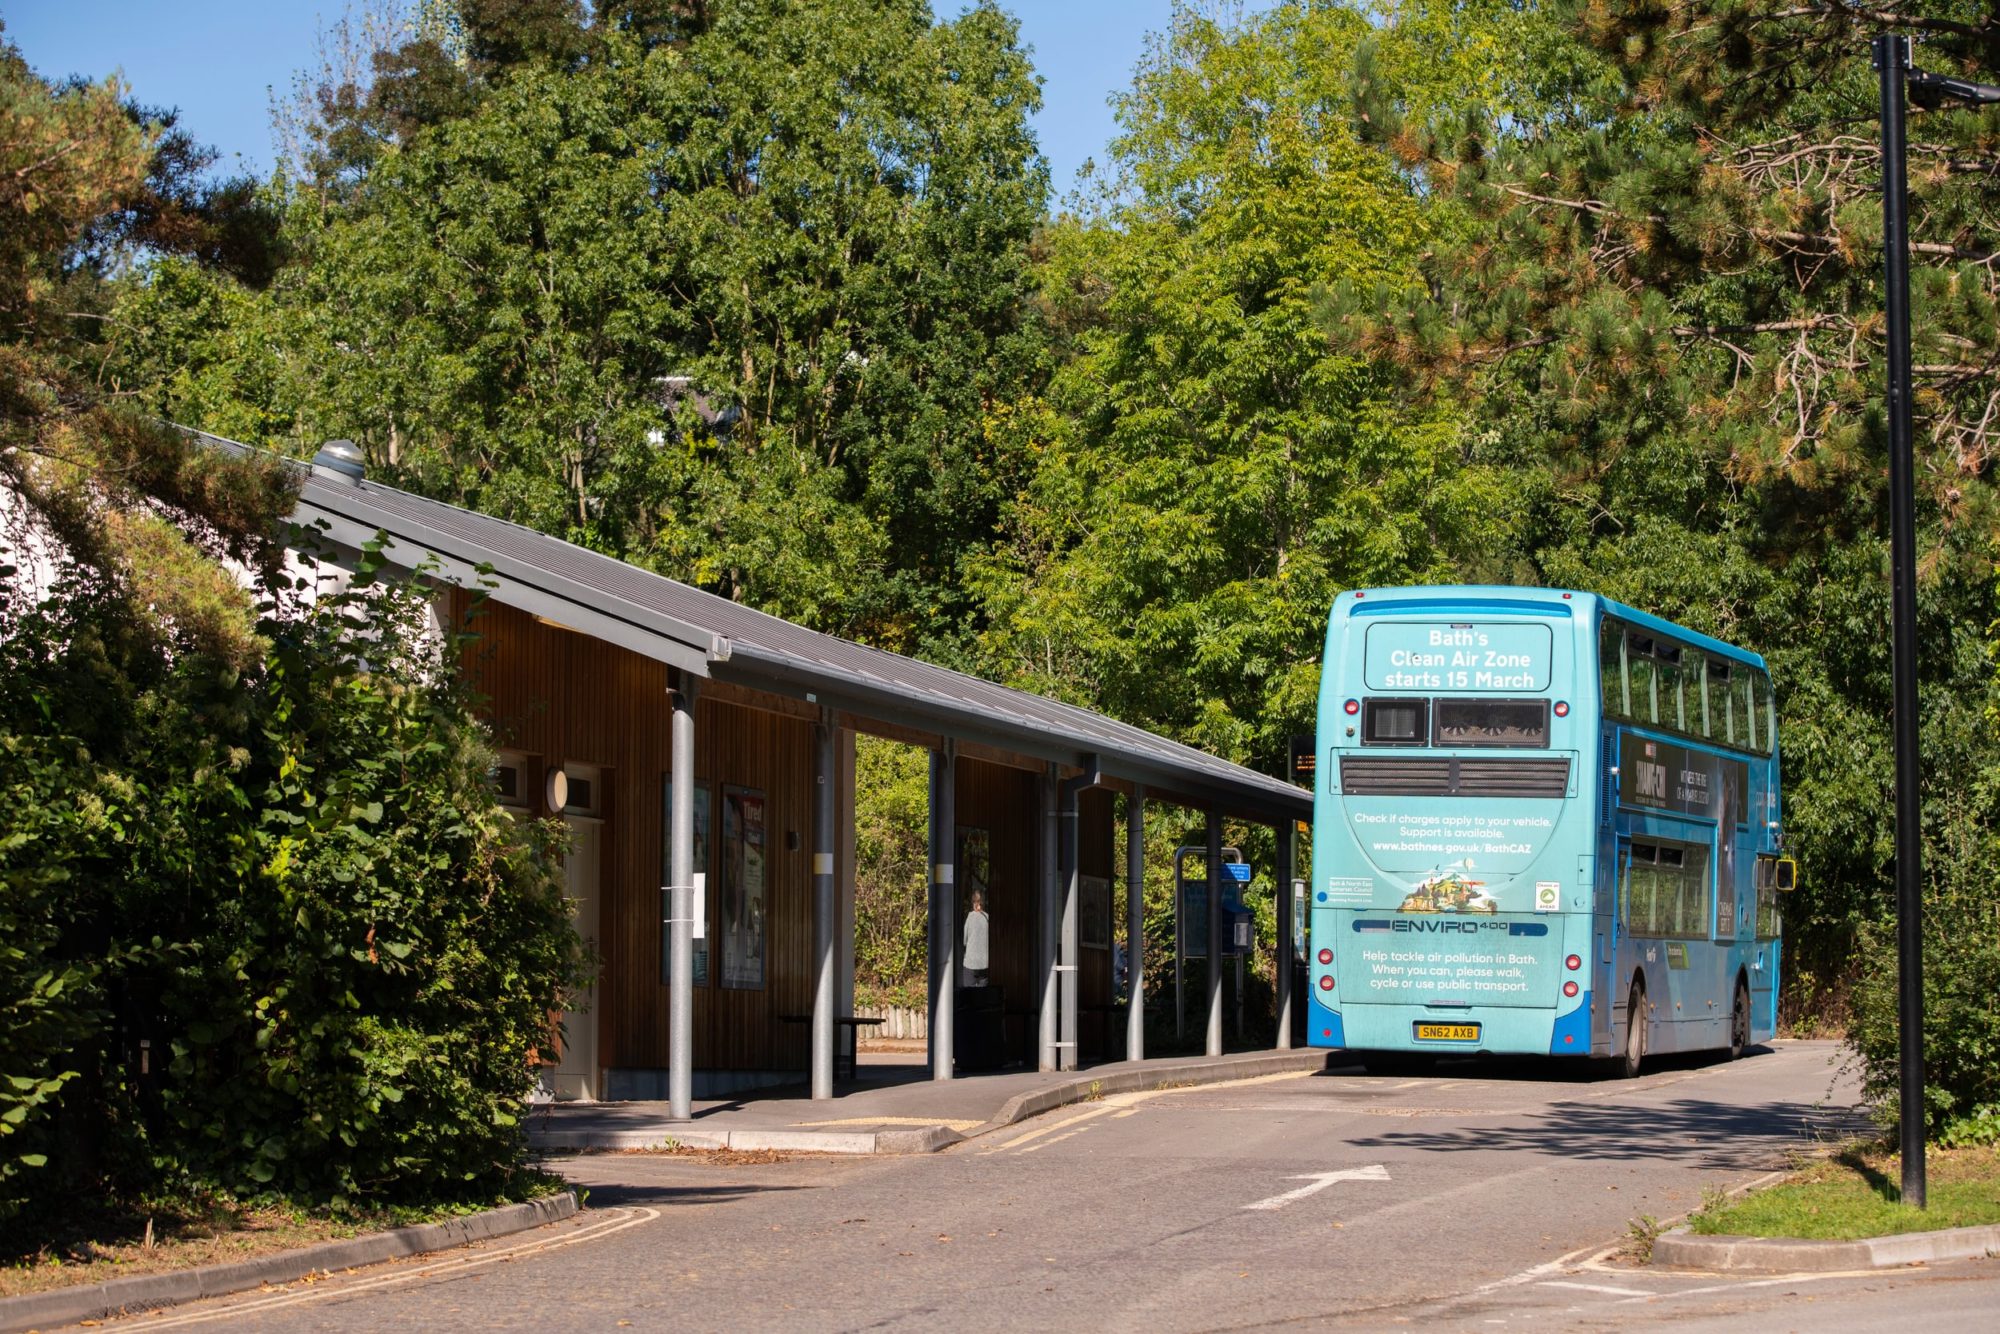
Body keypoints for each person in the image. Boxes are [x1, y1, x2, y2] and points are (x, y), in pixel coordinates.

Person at [962, 889, 990, 988]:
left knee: (969, 994)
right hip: (985, 964)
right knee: (982, 995)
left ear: (974, 902)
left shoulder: (970, 918)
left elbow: (964, 940)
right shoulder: (988, 918)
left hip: (970, 963)